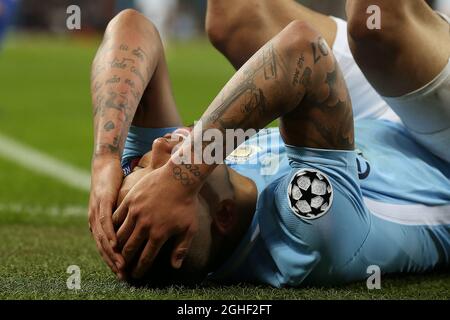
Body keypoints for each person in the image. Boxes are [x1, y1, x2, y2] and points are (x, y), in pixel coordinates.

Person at [88, 0, 450, 286]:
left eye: (143, 167)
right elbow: (303, 50)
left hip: (374, 124)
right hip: (442, 159)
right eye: (162, 175)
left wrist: (107, 156)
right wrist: (178, 177)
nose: (162, 150)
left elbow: (132, 27)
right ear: (225, 216)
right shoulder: (301, 234)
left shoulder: (192, 199)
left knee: (233, 16)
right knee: (376, 25)